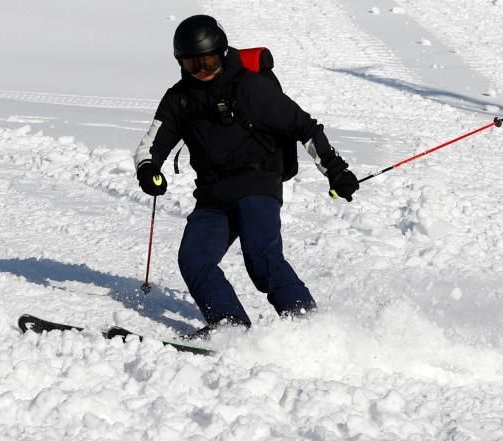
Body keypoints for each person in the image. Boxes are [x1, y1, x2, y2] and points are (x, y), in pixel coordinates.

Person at [134, 15, 359, 338]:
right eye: (192, 64)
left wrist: (335, 171)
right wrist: (149, 169)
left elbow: (304, 127)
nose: (202, 71)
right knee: (194, 259)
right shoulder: (179, 98)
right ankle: (230, 326)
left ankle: (308, 326)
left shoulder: (250, 89)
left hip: (257, 183)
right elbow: (151, 144)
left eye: (208, 61)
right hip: (213, 194)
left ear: (223, 54)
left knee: (261, 257)